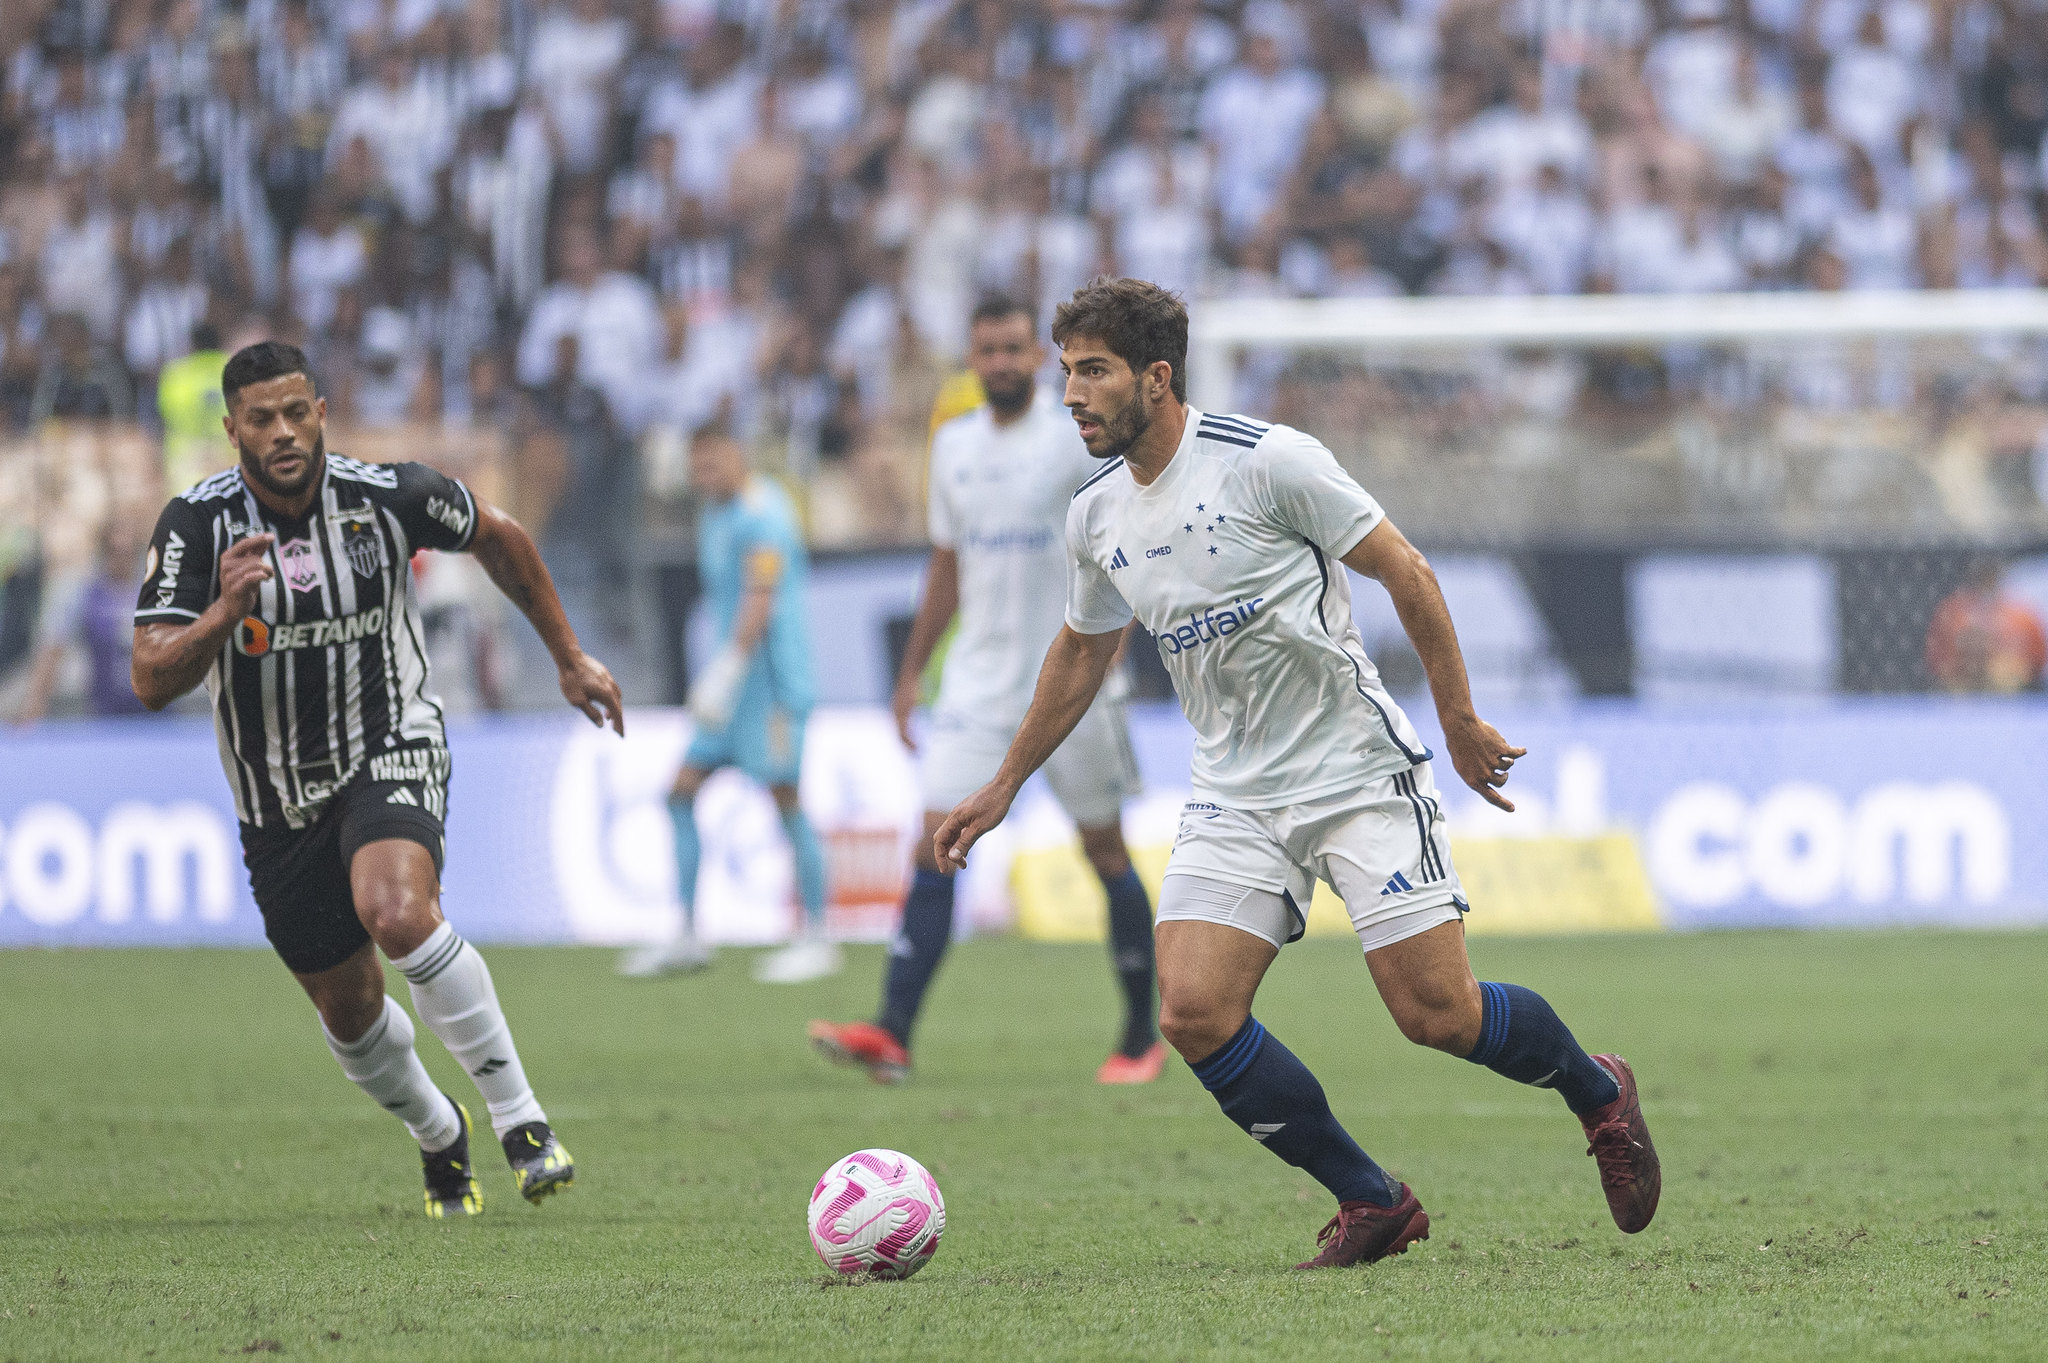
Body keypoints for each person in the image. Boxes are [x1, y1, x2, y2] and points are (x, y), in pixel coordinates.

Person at [932, 278, 1660, 1270]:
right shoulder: (1093, 514)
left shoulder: (1266, 460)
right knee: (1190, 1011)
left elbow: (1406, 570)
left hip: (1351, 770)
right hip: (1233, 788)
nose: (1070, 393)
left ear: (1155, 375)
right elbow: (1078, 650)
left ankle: (1595, 1090)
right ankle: (1371, 1199)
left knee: (1435, 1015)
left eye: (1091, 370)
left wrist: (1454, 718)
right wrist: (1004, 782)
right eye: (1066, 371)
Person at [131, 340, 624, 1218]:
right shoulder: (197, 526)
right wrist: (222, 614)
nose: (281, 433)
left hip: (388, 743)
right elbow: (149, 675)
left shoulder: (388, 497)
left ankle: (523, 1122)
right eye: (260, 420)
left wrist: (568, 656)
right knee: (350, 1014)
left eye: (295, 412)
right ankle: (440, 1130)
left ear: (320, 410)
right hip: (275, 799)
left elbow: (499, 535)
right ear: (232, 430)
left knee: (397, 911)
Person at [808, 296, 1163, 1087]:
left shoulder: (1073, 440)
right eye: (987, 350)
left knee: (1103, 850)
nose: (1001, 362)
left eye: (1013, 348)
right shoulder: (956, 444)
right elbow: (947, 564)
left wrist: (1113, 655)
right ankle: (892, 1031)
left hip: (1071, 681)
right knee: (934, 838)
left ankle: (1142, 1031)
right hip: (975, 682)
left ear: (1035, 358)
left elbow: (1127, 546)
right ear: (972, 359)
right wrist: (911, 672)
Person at [618, 427, 836, 984]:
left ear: (737, 456)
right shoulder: (712, 515)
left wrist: (725, 670)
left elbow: (759, 599)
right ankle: (688, 933)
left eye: (713, 463)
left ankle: (816, 935)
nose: (704, 476)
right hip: (733, 695)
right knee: (680, 792)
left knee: (786, 799)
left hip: (772, 689)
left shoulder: (763, 513)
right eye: (697, 467)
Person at [1925, 559, 2047, 692]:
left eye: (1991, 581)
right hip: (1962, 681)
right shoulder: (1954, 613)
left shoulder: (2021, 616)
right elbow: (1938, 658)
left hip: (2008, 682)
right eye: (1982, 581)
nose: (1986, 588)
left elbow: (2037, 661)